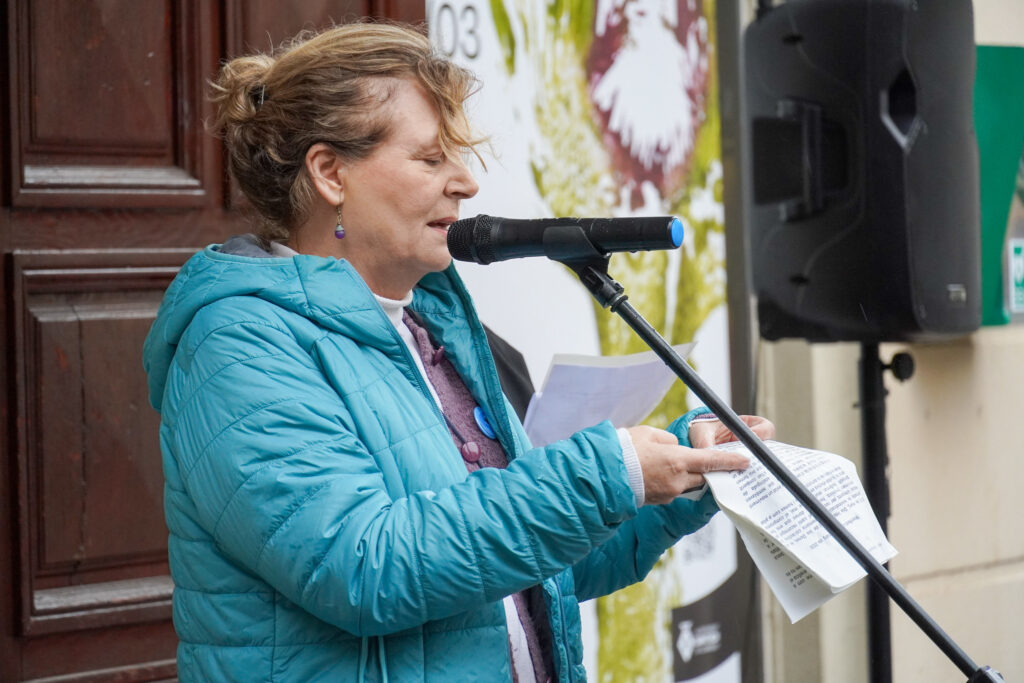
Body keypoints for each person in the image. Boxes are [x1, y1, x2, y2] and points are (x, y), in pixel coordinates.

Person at [142, 21, 773, 683]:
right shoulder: (238, 345)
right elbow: (364, 568)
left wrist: (679, 474)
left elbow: (519, 567)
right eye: (430, 158)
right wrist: (606, 473)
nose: (466, 182)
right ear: (330, 173)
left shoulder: (429, 329)